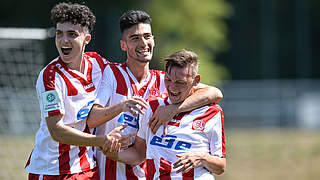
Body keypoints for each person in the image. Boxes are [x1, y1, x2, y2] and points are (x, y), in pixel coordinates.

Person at [86, 10, 224, 179]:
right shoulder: (112, 73)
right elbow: (92, 119)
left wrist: (173, 109)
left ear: (153, 40)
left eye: (147, 36)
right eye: (135, 38)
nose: (143, 43)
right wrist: (121, 106)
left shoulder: (164, 80)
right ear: (123, 45)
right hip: (110, 172)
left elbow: (214, 93)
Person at [24, 2, 133, 179]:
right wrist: (101, 141)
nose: (64, 40)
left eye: (72, 34)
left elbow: (126, 75)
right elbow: (56, 130)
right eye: (59, 34)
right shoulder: (50, 77)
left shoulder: (97, 63)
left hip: (86, 167)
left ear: (86, 39)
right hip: (52, 170)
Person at [106, 49, 227, 179]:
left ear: (196, 80)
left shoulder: (212, 112)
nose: (172, 87)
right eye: (168, 80)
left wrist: (202, 158)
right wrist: (111, 152)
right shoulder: (151, 107)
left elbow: (221, 167)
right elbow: (139, 154)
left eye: (180, 82)